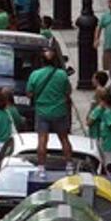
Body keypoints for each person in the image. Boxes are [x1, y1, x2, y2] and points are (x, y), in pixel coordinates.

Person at [25, 48, 73, 177]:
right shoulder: (62, 74)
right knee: (64, 139)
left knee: (42, 140)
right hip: (59, 111)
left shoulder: (35, 75)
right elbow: (68, 92)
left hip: (42, 112)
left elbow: (29, 93)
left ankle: (41, 167)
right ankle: (69, 165)